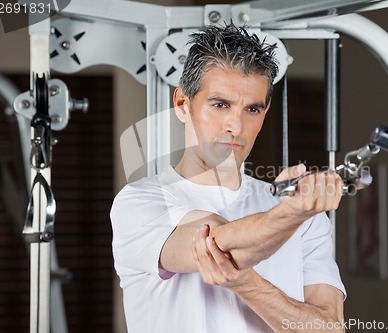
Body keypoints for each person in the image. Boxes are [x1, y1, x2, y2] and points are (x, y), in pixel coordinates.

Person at [110, 23, 346, 333]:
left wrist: (248, 285)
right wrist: (292, 213)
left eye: (252, 109)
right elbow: (219, 244)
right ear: (182, 103)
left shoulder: (304, 216)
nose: (236, 125)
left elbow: (330, 328)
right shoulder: (140, 202)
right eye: (220, 105)